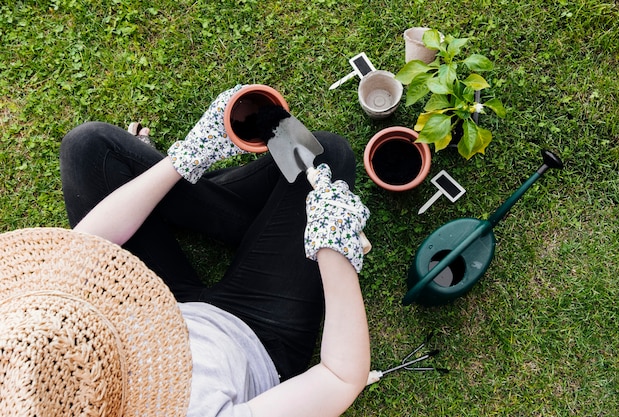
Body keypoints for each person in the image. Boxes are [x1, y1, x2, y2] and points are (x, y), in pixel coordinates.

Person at [1, 85, 371, 416]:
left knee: (89, 148)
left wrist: (185, 158)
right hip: (259, 335)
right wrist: (333, 245)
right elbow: (339, 378)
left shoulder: (30, 344)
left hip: (154, 302)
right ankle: (255, 225)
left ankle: (233, 216)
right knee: (326, 157)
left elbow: (86, 245)